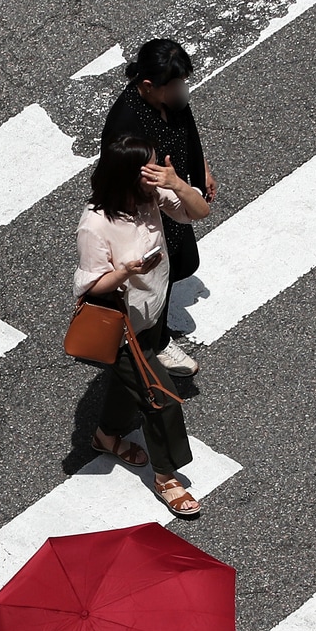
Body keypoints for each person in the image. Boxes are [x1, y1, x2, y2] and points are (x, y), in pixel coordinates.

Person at [75, 135, 210, 518]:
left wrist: (177, 183)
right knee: (161, 399)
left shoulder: (150, 196)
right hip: (122, 329)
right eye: (149, 167)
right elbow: (90, 287)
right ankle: (166, 477)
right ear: (128, 177)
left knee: (127, 384)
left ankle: (106, 435)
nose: (156, 172)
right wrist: (125, 271)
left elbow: (198, 212)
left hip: (151, 312)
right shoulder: (95, 226)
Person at [101, 39, 216, 378]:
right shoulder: (125, 127)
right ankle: (154, 341)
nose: (182, 90)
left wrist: (201, 168)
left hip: (172, 201)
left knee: (179, 265)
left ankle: (150, 330)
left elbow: (187, 133)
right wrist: (175, 185)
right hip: (150, 215)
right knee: (155, 280)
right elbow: (124, 184)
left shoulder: (171, 100)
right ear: (149, 86)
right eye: (175, 84)